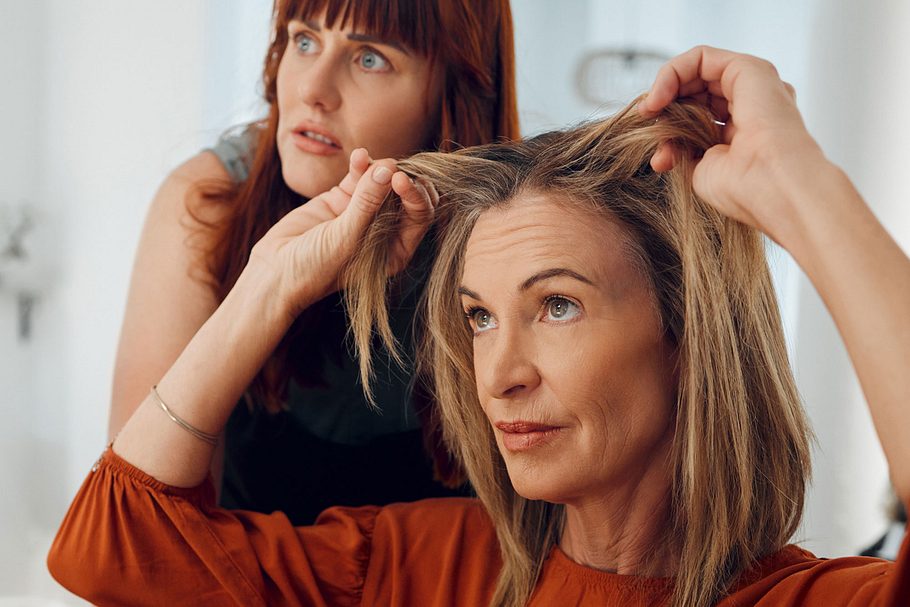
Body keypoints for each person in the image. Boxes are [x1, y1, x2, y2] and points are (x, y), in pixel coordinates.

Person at [49, 47, 909, 606]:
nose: (498, 372)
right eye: (478, 317)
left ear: (688, 335)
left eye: (557, 304)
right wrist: (267, 286)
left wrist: (800, 188)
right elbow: (107, 546)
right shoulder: (422, 566)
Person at [108, 0, 519, 524]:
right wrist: (271, 285)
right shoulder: (209, 201)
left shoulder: (512, 229)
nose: (312, 91)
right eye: (304, 41)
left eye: (370, 58)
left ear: (452, 92)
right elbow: (137, 530)